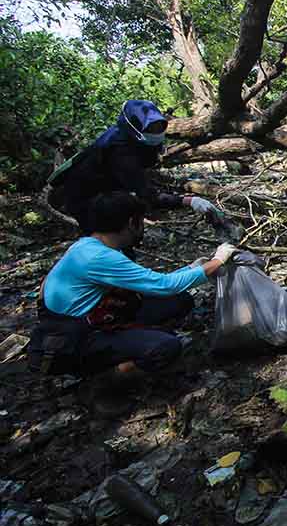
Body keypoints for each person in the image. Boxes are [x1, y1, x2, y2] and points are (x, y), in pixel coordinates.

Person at [27, 192, 238, 379]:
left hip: (90, 319)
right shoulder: (98, 257)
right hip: (75, 340)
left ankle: (133, 342)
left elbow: (152, 283)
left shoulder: (89, 246)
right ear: (131, 223)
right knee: (166, 347)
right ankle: (104, 380)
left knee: (179, 301)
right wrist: (217, 262)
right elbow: (164, 285)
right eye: (142, 220)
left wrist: (193, 268)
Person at [47, 100, 220, 233]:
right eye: (151, 128)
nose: (157, 133)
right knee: (112, 233)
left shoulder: (133, 138)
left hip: (108, 187)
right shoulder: (119, 151)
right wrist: (190, 201)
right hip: (85, 196)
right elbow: (145, 192)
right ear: (135, 127)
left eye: (159, 126)